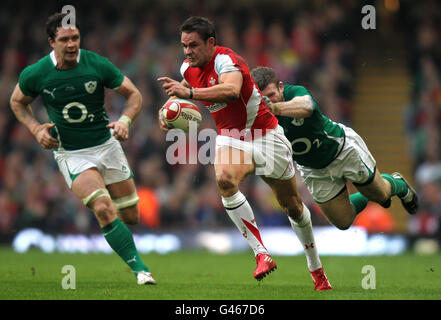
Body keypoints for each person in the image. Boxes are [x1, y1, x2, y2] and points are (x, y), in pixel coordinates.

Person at [157, 16, 332, 290]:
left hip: (267, 137)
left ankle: (316, 269)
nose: (188, 51)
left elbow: (230, 91)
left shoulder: (229, 61)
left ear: (211, 43)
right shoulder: (188, 68)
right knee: (225, 180)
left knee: (293, 207)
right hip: (233, 137)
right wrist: (167, 109)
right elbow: (181, 90)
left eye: (193, 45)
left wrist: (188, 93)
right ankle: (261, 254)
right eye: (184, 46)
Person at [9, 12, 156, 285]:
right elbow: (17, 102)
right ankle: (141, 270)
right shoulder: (37, 73)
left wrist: (125, 121)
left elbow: (134, 94)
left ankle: (113, 220)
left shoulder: (96, 64)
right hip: (73, 153)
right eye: (64, 39)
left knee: (131, 216)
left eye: (75, 37)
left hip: (107, 146)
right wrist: (36, 129)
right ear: (51, 42)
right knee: (102, 206)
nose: (72, 44)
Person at [251, 66, 419, 231]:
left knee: (381, 195)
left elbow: (307, 106)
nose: (268, 101)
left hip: (341, 149)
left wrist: (273, 109)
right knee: (343, 222)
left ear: (280, 87)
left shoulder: (294, 92)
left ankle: (399, 184)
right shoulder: (254, 115)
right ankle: (367, 193)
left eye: (271, 95)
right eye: (262, 99)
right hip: (313, 168)